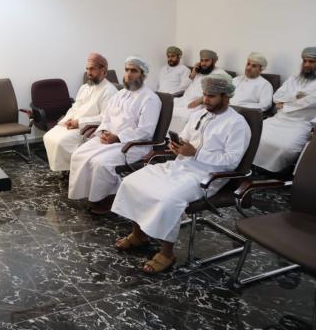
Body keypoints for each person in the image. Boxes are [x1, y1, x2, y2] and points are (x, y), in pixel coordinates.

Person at [112, 73, 250, 274]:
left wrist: (196, 153)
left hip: (207, 177)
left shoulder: (237, 124)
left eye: (211, 96)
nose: (205, 100)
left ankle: (167, 253)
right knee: (133, 182)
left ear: (226, 97)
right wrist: (176, 146)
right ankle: (138, 234)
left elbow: (232, 161)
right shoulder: (199, 114)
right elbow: (185, 138)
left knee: (168, 199)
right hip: (180, 166)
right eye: (204, 95)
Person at [68, 57, 161, 214]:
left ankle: (108, 198)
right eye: (127, 70)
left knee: (100, 163)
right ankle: (89, 194)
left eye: (134, 71)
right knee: (78, 154)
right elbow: (106, 117)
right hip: (109, 138)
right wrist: (104, 132)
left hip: (133, 144)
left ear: (143, 75)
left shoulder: (150, 99)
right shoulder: (120, 94)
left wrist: (118, 137)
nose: (128, 74)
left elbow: (146, 131)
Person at [43, 53, 117, 172]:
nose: (88, 72)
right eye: (87, 69)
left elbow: (105, 118)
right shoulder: (84, 88)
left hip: (87, 128)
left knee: (61, 142)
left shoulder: (109, 91)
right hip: (73, 124)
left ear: (103, 70)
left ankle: (74, 169)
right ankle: (67, 169)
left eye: (92, 69)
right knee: (48, 136)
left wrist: (79, 122)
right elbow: (75, 107)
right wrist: (67, 120)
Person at [253, 47, 316, 173]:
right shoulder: (293, 79)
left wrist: (285, 104)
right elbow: (277, 97)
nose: (307, 65)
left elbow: (309, 102)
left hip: (301, 123)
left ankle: (273, 172)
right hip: (280, 118)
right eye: (304, 61)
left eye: (312, 61)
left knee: (285, 148)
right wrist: (297, 96)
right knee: (253, 135)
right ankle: (251, 165)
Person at [169, 49, 227, 132]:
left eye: (206, 61)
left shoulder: (220, 74)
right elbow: (183, 87)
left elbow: (220, 93)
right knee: (166, 107)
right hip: (184, 100)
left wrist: (199, 101)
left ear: (214, 61)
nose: (203, 63)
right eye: (201, 60)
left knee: (185, 116)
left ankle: (178, 137)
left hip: (200, 104)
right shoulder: (199, 72)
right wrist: (193, 73)